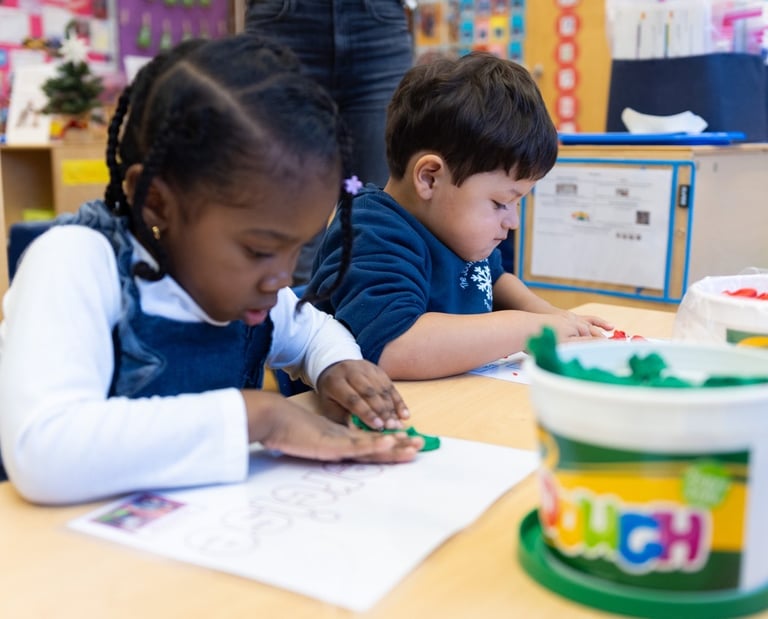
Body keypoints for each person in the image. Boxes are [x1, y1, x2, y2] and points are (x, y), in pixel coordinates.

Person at [0, 34, 423, 505]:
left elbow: (312, 332)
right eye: (260, 250)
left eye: (297, 249)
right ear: (158, 201)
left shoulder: (251, 293)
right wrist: (258, 417)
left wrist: (336, 366)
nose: (282, 277)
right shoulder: (78, 262)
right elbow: (42, 452)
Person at [306, 53, 613, 380]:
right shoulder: (372, 232)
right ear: (429, 178)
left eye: (518, 203)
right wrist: (529, 327)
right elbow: (393, 348)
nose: (513, 222)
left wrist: (554, 316)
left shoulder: (452, 226)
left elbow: (493, 280)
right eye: (500, 203)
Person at [244, 0, 414, 285]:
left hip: (377, 26)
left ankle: (365, 323)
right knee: (285, 224)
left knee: (376, 219)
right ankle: (287, 324)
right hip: (283, 23)